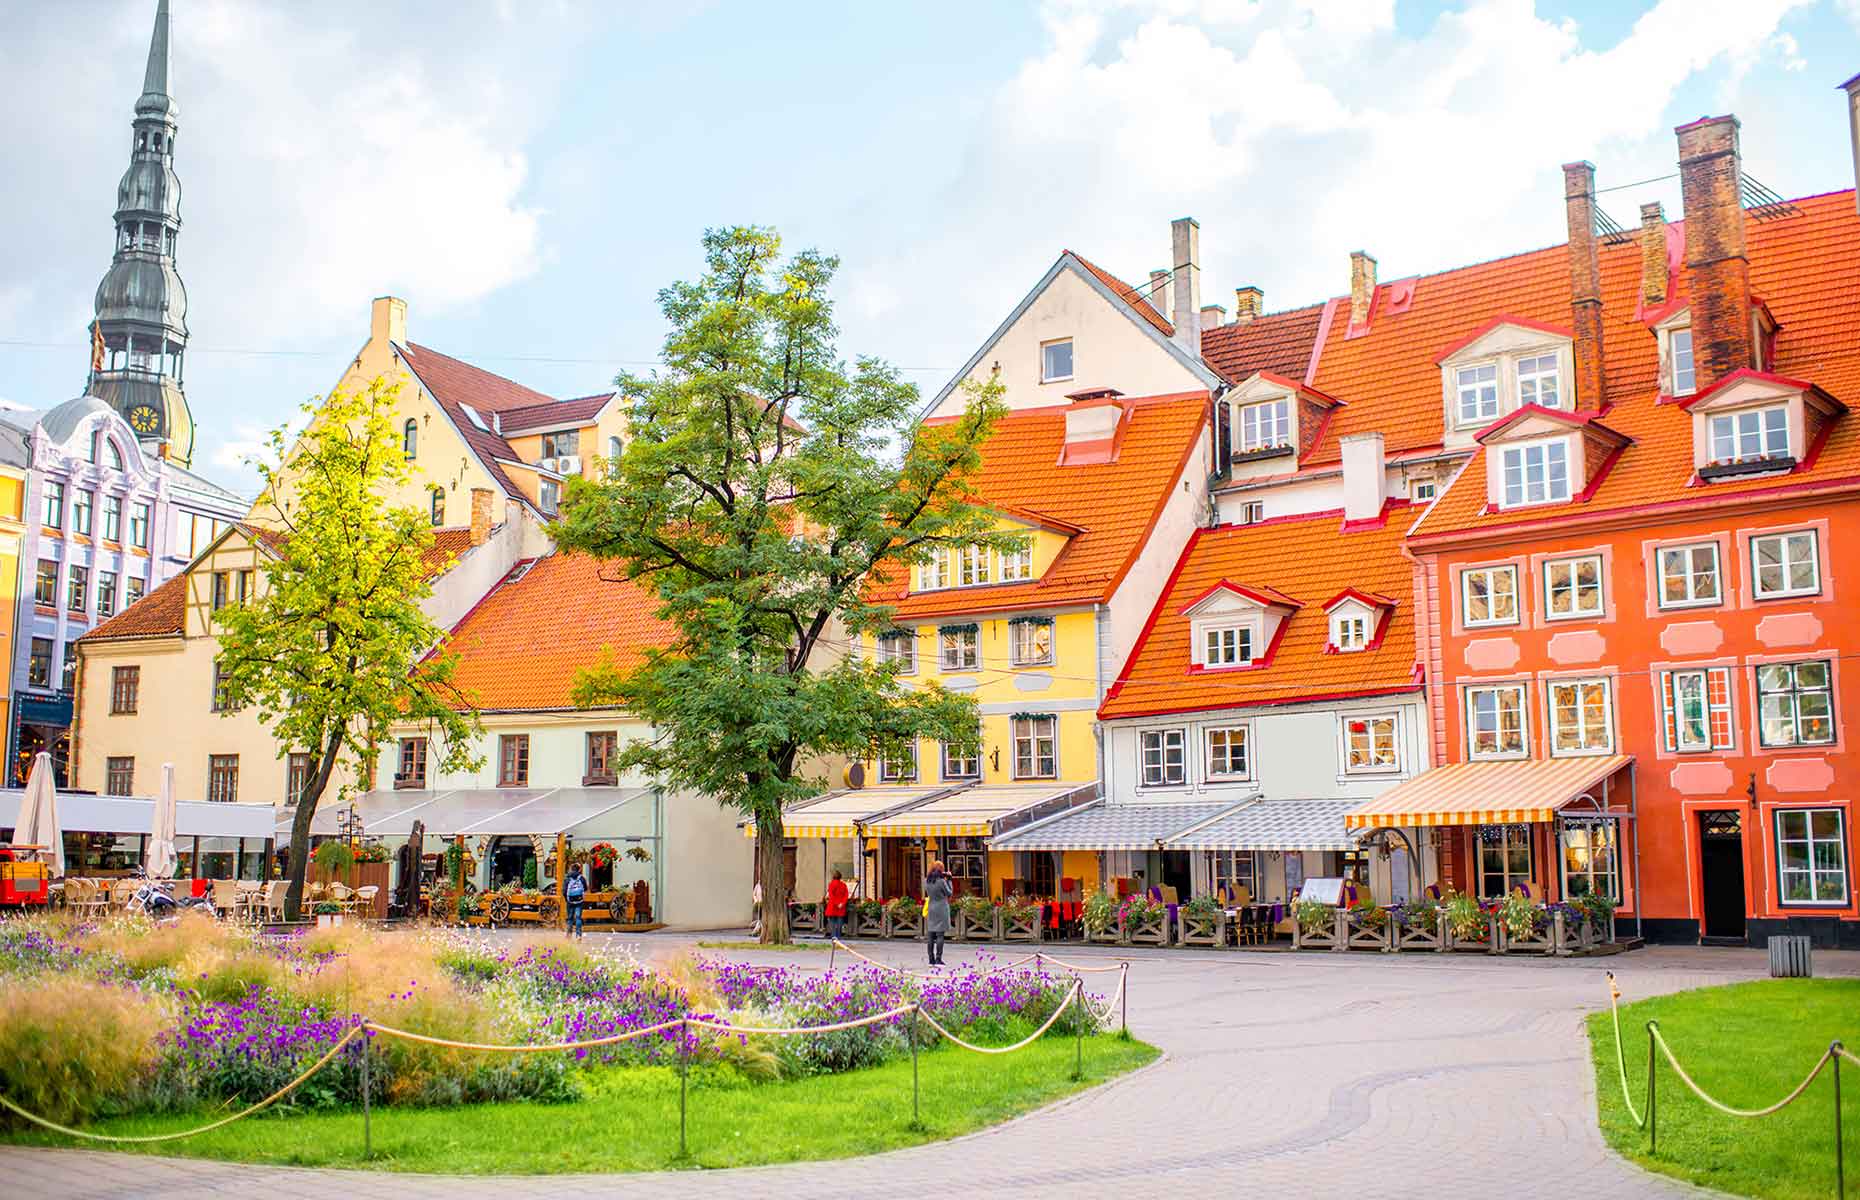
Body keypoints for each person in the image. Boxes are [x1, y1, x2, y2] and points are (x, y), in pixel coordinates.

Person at [923, 860, 953, 966]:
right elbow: (949, 893)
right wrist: (949, 880)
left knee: (931, 935)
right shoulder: (941, 881)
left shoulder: (926, 880)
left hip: (931, 907)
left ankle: (931, 959)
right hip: (941, 908)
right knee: (940, 935)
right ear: (941, 870)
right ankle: (938, 959)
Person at [825, 869, 850, 941]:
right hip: (841, 906)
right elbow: (846, 895)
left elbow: (831, 895)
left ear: (833, 877)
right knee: (840, 922)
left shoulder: (831, 884)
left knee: (832, 923)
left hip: (833, 906)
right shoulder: (843, 884)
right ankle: (838, 936)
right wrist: (842, 903)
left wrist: (836, 903)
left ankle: (834, 936)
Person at [564, 863, 587, 939]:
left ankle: (569, 935)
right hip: (579, 901)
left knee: (570, 918)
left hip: (569, 901)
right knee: (578, 918)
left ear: (571, 869)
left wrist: (566, 899)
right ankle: (578, 935)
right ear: (579, 869)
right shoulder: (581, 878)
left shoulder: (567, 878)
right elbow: (585, 888)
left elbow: (564, 891)